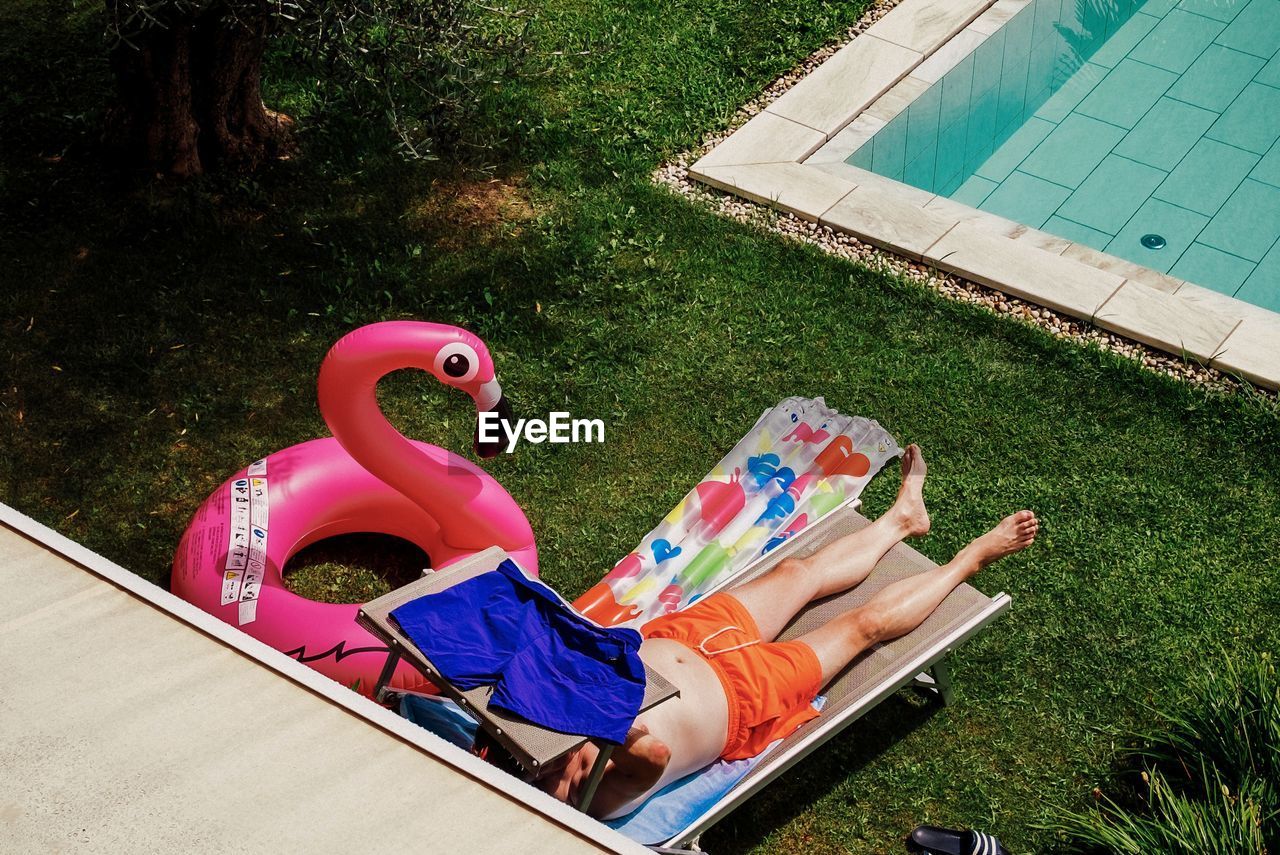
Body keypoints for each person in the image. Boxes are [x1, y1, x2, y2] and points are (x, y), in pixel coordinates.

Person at [538, 445, 1039, 819]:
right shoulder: (584, 794)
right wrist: (578, 706)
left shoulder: (518, 734)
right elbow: (652, 755)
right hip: (742, 694)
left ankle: (902, 520)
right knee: (861, 627)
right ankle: (970, 559)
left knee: (796, 574)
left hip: (682, 636)